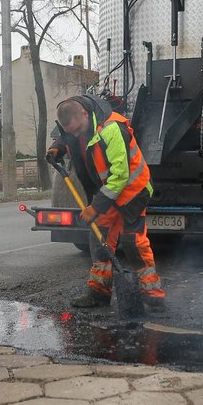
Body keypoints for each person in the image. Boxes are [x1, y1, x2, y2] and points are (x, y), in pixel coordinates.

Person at [47, 94, 165, 310]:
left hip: (132, 191)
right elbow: (68, 135)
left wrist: (95, 207)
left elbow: (120, 176)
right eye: (70, 131)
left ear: (84, 113)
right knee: (100, 241)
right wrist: (58, 147)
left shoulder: (112, 129)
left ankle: (153, 295)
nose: (75, 134)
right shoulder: (79, 123)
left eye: (76, 129)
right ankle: (98, 293)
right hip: (108, 192)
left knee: (133, 243)